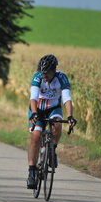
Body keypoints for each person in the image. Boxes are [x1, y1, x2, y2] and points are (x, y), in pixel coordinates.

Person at [26, 54, 77, 188]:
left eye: (47, 72)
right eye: (42, 72)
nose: (44, 75)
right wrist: (34, 114)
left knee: (58, 124)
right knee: (36, 137)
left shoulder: (62, 78)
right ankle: (31, 172)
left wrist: (70, 116)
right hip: (37, 109)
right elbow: (33, 98)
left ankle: (52, 150)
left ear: (54, 70)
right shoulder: (37, 77)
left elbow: (67, 98)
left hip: (54, 108)